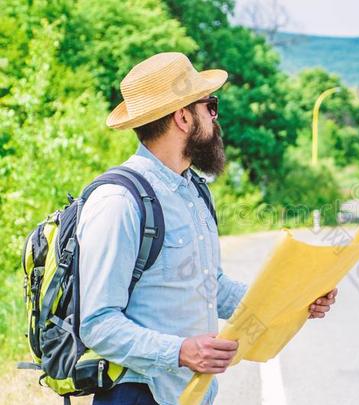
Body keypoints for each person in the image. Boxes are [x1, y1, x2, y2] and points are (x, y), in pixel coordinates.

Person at [78, 52, 338, 405]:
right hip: (137, 394)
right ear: (183, 117)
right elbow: (97, 323)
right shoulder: (118, 202)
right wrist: (180, 352)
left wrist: (296, 299)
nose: (216, 119)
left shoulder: (195, 191)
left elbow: (210, 288)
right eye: (210, 107)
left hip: (193, 394)